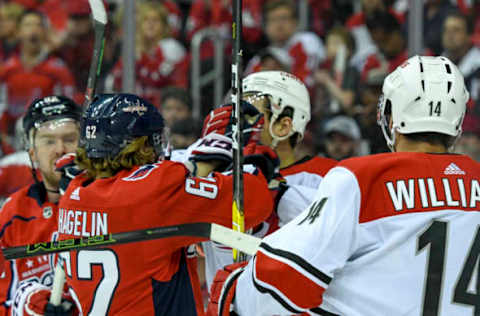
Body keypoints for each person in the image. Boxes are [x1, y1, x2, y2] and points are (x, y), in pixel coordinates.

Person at [208, 55, 480, 315]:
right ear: (456, 121)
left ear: (392, 117)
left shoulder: (362, 176)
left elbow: (283, 278)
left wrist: (237, 293)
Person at [53, 94, 273, 315]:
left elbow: (159, 187)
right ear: (139, 145)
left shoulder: (73, 193)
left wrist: (208, 152)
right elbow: (253, 202)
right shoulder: (149, 193)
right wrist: (245, 152)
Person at [201, 71, 337, 290]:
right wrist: (201, 164)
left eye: (248, 115)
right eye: (232, 114)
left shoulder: (328, 176)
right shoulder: (217, 173)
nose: (234, 125)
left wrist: (272, 187)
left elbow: (335, 236)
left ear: (283, 126)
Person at [0, 96, 81, 316]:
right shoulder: (14, 212)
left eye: (70, 139)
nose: (60, 149)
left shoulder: (109, 200)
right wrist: (29, 308)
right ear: (33, 153)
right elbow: (3, 299)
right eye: (48, 141)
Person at [0, 10, 76, 137]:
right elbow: (2, 107)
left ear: (45, 32)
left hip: (47, 137)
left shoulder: (58, 70)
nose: (33, 30)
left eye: (38, 25)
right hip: (11, 141)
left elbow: (69, 109)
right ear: (18, 32)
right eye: (28, 25)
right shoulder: (7, 70)